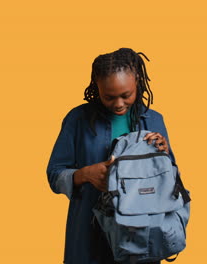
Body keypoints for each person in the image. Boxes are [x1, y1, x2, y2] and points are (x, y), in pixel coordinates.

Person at [46, 48, 179, 264]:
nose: (118, 104)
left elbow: (170, 185)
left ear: (137, 81)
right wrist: (84, 174)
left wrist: (164, 157)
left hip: (141, 239)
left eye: (126, 95)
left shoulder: (154, 120)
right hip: (88, 238)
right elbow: (54, 175)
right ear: (97, 86)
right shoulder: (78, 119)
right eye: (108, 97)